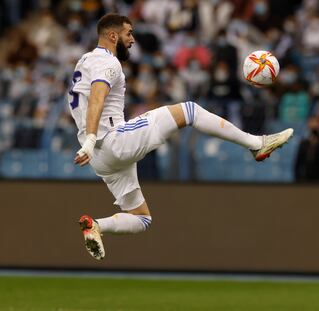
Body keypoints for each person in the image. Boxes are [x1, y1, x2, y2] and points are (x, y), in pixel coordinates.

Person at [70, 13, 293, 260]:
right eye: (128, 33)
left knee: (142, 218)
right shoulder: (107, 62)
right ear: (113, 36)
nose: (132, 39)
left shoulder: (84, 61)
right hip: (110, 140)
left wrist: (90, 142)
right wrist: (91, 139)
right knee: (189, 110)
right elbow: (97, 98)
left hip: (101, 160)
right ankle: (256, 144)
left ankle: (96, 226)